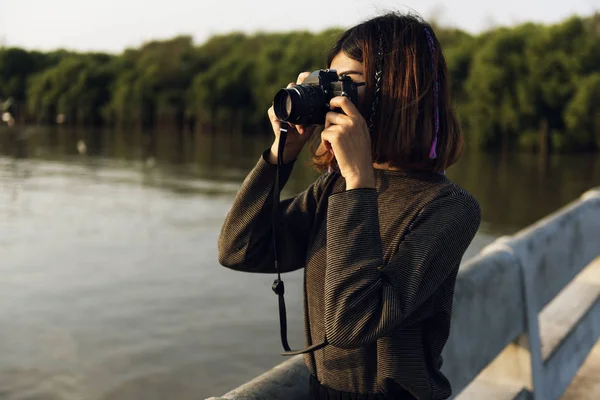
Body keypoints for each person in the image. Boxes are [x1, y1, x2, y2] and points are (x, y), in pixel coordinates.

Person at [218, 12, 481, 400]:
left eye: (347, 85)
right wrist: (280, 155)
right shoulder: (333, 189)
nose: (333, 99)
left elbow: (352, 324)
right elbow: (239, 248)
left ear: (399, 94)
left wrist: (359, 181)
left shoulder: (448, 208)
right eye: (328, 82)